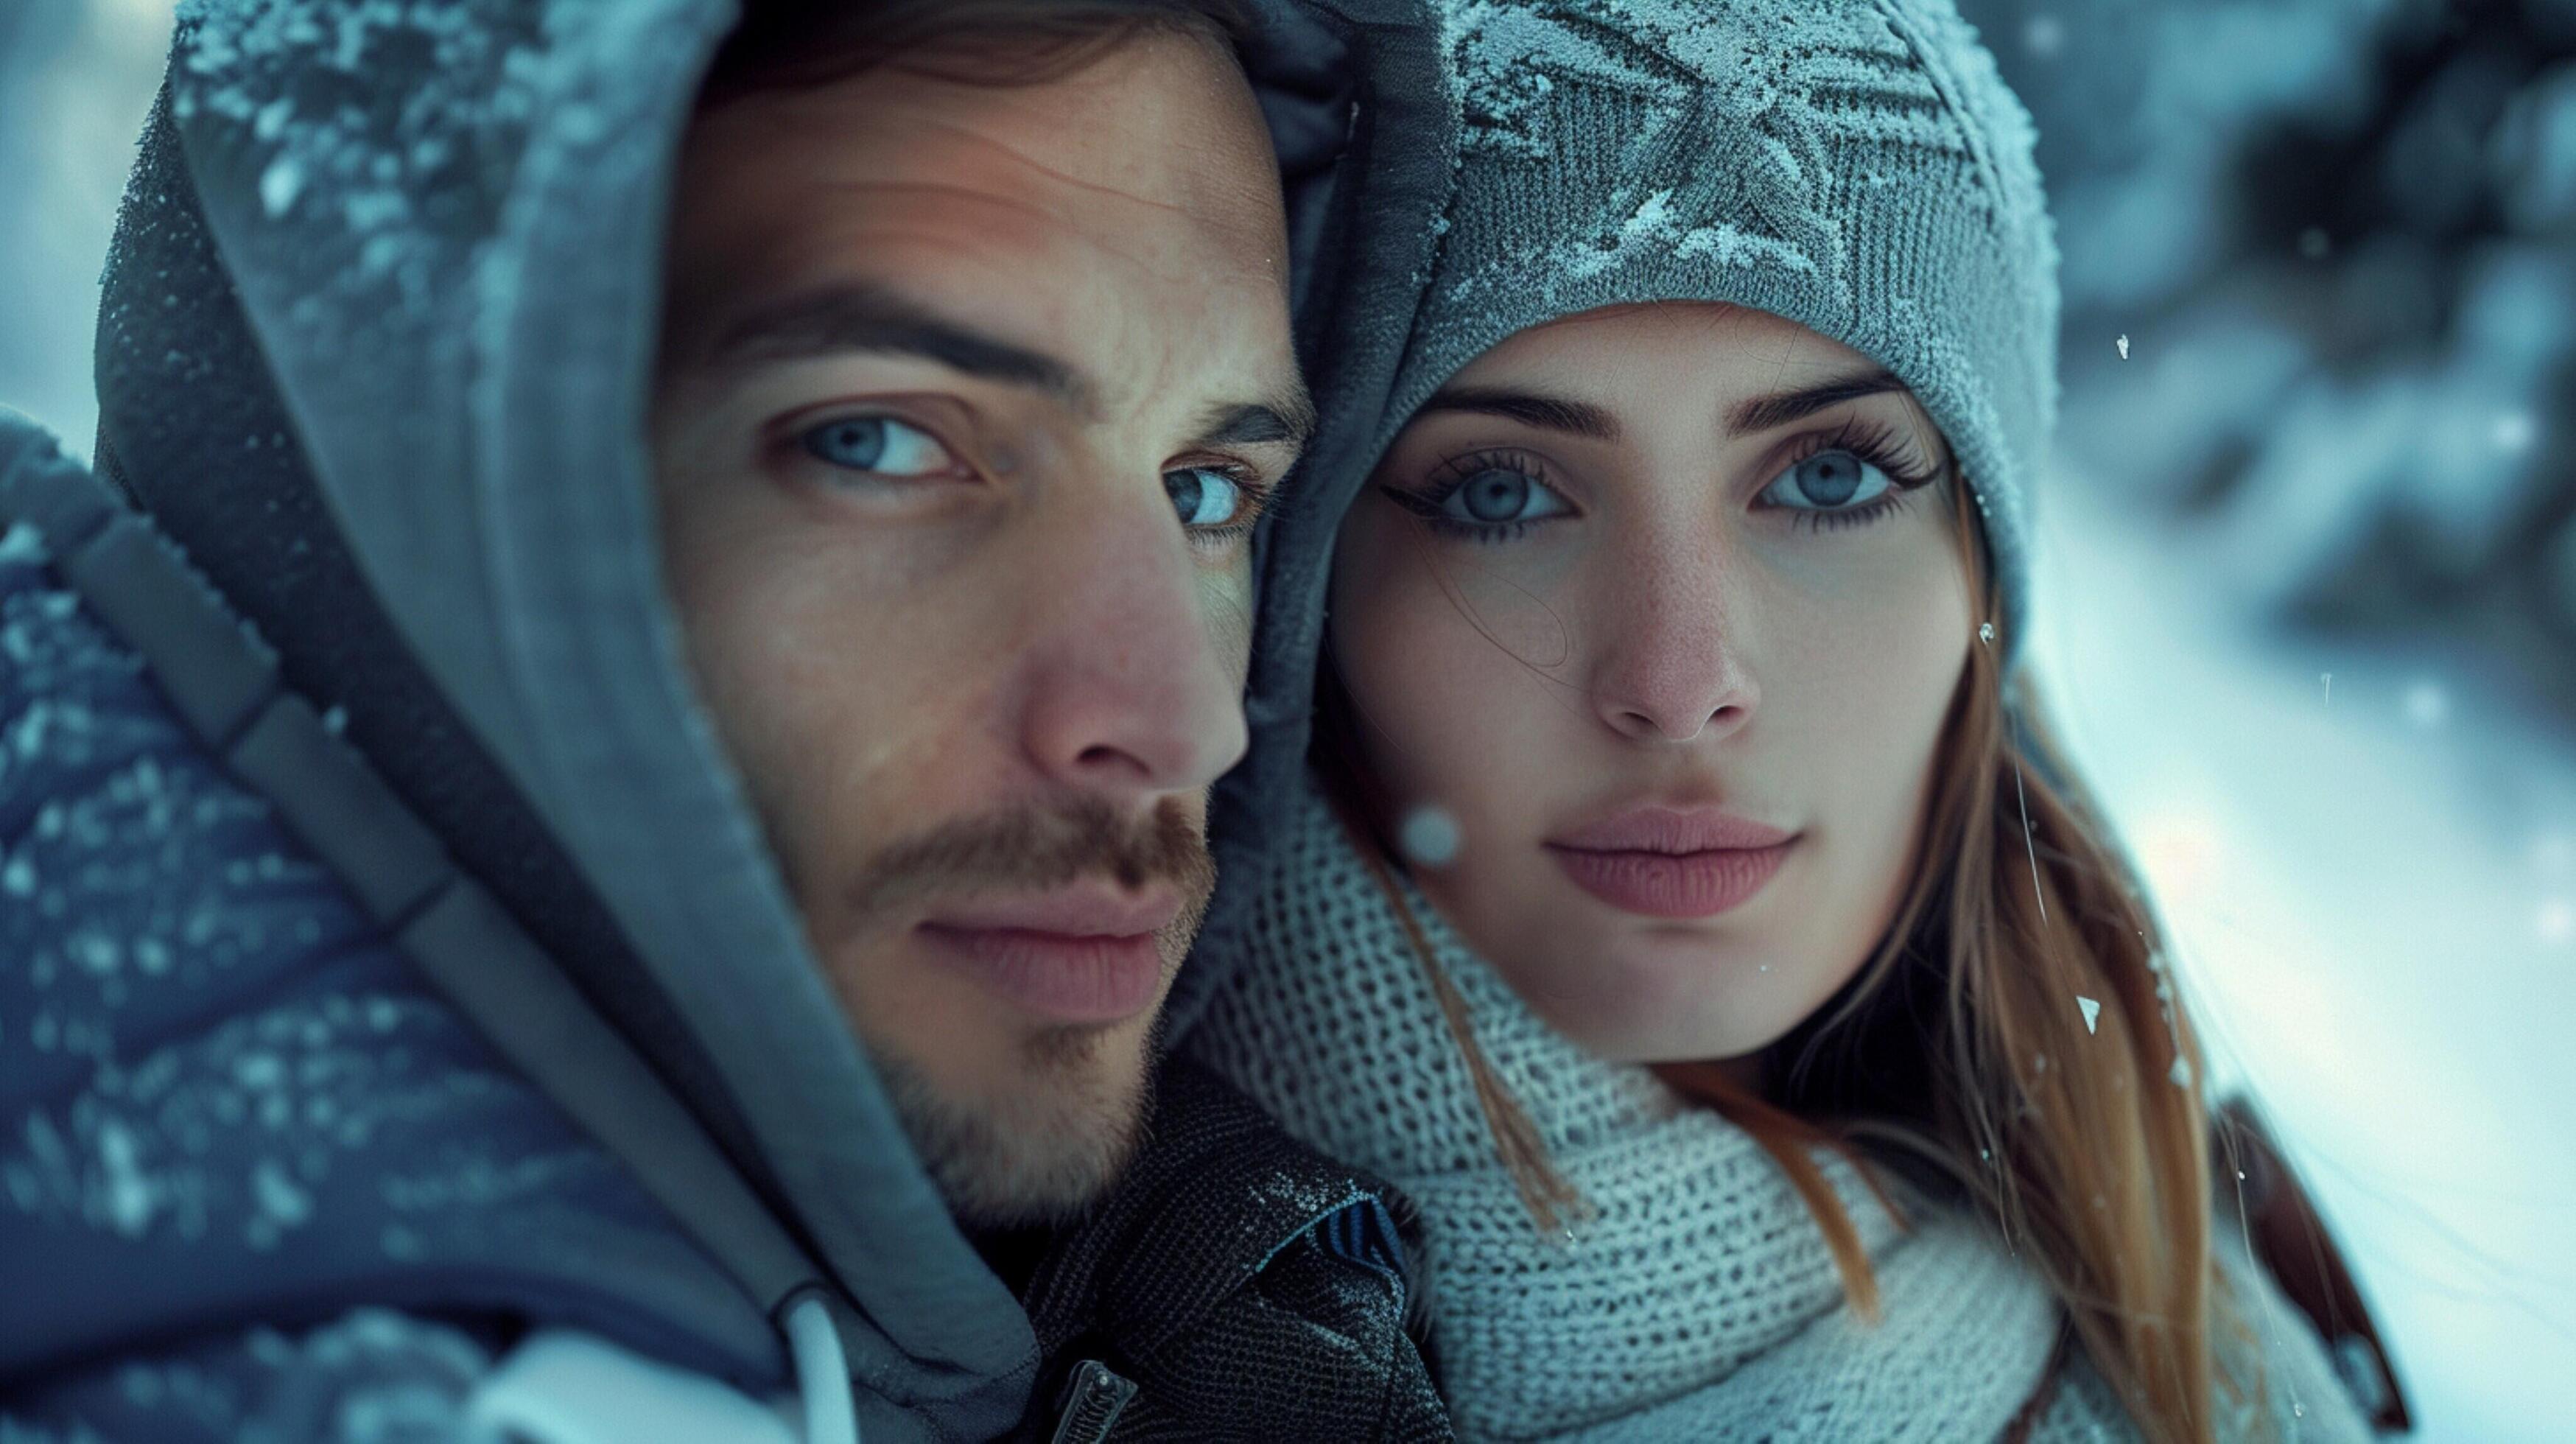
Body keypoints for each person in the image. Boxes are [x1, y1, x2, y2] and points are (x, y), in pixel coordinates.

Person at [0, 0, 1455, 1438]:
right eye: (878, 443)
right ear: (399, 473)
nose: (1188, 722)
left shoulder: (1217, 1282)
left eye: (1207, 489)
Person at [1183, 0, 2404, 1439]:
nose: (1682, 673)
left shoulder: (2229, 1259)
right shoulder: (1053, 1321)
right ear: (1311, 592)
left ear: (1981, 590)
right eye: (1500, 490)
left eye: (1827, 478)